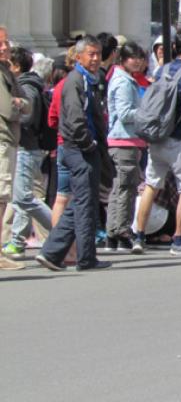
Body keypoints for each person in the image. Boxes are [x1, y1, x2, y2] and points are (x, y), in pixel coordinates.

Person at [35, 35, 110, 272]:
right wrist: (89, 145)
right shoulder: (75, 82)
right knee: (84, 203)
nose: (96, 58)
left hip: (77, 148)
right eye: (91, 54)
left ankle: (52, 252)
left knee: (80, 202)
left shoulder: (88, 80)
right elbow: (75, 119)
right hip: (78, 148)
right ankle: (85, 258)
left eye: (98, 53)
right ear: (78, 57)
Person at [132, 28, 181, 256]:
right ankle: (179, 239)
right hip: (178, 137)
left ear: (174, 47)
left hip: (156, 135)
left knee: (151, 184)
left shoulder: (162, 69)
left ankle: (139, 236)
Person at [3, 47, 52, 259]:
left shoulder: (27, 86)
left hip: (26, 147)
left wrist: (15, 110)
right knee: (19, 198)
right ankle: (16, 242)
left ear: (16, 66)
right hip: (26, 147)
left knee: (23, 197)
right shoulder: (26, 84)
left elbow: (26, 115)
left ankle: (63, 232)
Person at [104, 42, 148, 252]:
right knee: (125, 188)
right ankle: (121, 230)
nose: (138, 61)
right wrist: (146, 114)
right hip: (124, 140)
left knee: (121, 187)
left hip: (127, 140)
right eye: (133, 57)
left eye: (140, 57)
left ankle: (114, 232)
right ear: (123, 59)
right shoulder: (123, 81)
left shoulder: (124, 79)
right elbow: (124, 113)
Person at [0, 25, 33, 270]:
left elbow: (27, 105)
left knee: (4, 197)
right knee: (1, 197)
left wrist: (19, 103)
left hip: (9, 139)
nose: (5, 48)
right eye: (0, 43)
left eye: (6, 43)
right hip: (2, 140)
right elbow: (10, 109)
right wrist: (19, 104)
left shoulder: (7, 72)